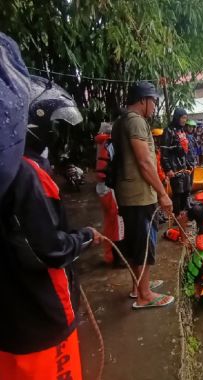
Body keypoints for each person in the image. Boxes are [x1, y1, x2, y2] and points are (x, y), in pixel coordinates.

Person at [0, 34, 102, 380]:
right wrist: (84, 238)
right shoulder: (26, 176)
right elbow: (50, 250)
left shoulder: (10, 171)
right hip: (43, 318)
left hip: (12, 324)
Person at [111, 81, 174, 309]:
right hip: (139, 195)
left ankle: (138, 286)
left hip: (129, 193)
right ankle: (144, 295)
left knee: (137, 242)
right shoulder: (136, 121)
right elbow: (145, 162)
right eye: (153, 101)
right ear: (142, 100)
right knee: (144, 243)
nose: (155, 106)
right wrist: (162, 194)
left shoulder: (122, 121)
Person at [95, 122, 123, 265]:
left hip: (102, 187)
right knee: (117, 224)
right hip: (109, 187)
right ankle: (117, 258)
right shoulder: (108, 144)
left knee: (108, 222)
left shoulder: (101, 143)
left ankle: (109, 255)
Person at [161, 108, 194, 216]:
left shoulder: (182, 131)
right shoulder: (168, 131)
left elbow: (185, 150)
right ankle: (177, 215)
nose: (185, 120)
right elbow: (164, 153)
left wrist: (189, 164)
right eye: (183, 118)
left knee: (186, 190)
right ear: (177, 117)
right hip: (174, 167)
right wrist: (168, 169)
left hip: (183, 166)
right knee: (178, 192)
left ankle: (184, 215)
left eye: (186, 118)